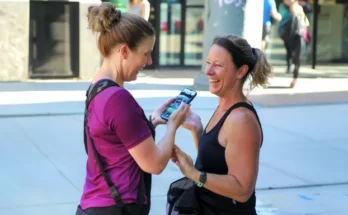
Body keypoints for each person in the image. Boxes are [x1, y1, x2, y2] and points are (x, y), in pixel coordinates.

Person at [76, 3, 189, 215]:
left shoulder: (97, 88)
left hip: (95, 204)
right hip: (117, 208)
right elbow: (154, 164)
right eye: (146, 54)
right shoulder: (118, 99)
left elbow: (116, 140)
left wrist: (152, 121)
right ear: (125, 51)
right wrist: (173, 125)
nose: (149, 61)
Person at [171, 35, 271, 214]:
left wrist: (194, 175)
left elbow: (242, 191)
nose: (208, 71)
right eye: (208, 63)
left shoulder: (241, 120)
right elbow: (218, 162)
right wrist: (197, 131)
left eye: (218, 65)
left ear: (241, 71)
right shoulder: (224, 107)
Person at [278, 0, 309, 88]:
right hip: (293, 35)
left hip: (295, 35)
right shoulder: (284, 8)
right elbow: (306, 23)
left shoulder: (296, 9)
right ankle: (292, 72)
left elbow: (305, 22)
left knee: (295, 56)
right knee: (294, 55)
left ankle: (294, 75)